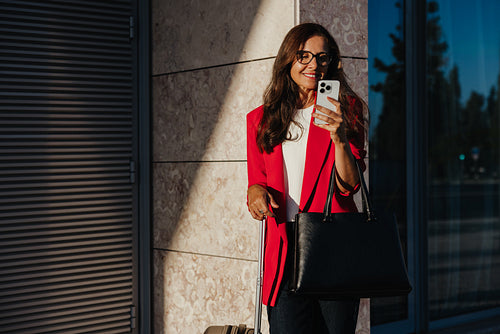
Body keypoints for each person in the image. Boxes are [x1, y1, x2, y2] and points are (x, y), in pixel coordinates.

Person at [246, 23, 367, 333]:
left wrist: (339, 138)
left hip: (333, 247)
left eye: (323, 57)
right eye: (304, 56)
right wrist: (256, 192)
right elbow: (256, 181)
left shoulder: (346, 110)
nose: (314, 65)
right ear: (289, 59)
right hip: (284, 250)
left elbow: (349, 186)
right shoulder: (260, 119)